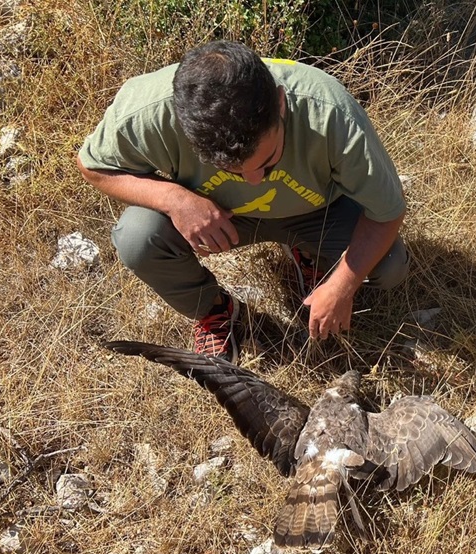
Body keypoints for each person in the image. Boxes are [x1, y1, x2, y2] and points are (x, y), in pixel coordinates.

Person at [77, 40, 409, 363]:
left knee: (390, 263)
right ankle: (216, 311)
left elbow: (388, 212)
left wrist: (341, 286)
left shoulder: (330, 113)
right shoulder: (149, 109)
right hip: (223, 214)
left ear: (281, 103)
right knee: (138, 238)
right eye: (231, 170)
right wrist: (175, 199)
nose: (255, 181)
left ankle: (312, 255)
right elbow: (93, 166)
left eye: (268, 162)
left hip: (318, 212)